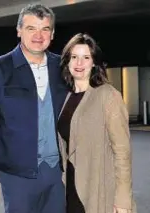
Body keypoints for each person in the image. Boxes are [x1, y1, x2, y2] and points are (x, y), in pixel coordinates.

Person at [0, 4, 68, 213]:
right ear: (19, 30)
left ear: (52, 34)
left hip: (58, 174)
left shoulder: (62, 68)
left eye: (45, 29)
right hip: (17, 177)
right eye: (31, 28)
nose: (38, 35)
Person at [57, 33, 137, 213]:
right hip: (71, 186)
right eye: (74, 57)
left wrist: (123, 200)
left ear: (94, 62)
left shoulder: (108, 96)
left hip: (99, 187)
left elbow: (122, 151)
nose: (79, 63)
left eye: (86, 57)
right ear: (67, 61)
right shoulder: (67, 97)